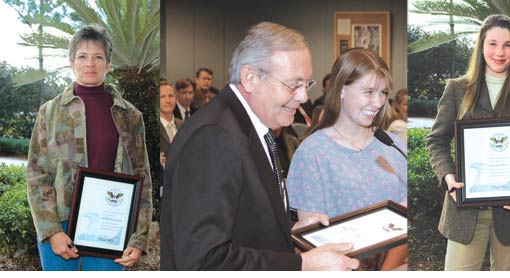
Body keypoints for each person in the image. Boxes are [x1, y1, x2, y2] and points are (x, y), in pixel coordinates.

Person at [161, 21, 359, 271]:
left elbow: (243, 221)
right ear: (250, 78)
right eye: (293, 84)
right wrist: (303, 264)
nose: (303, 97)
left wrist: (288, 230)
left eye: (306, 84)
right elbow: (205, 261)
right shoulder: (213, 138)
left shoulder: (248, 127)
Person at [426, 14, 510, 271]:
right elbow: (437, 140)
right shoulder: (456, 90)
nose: (499, 52)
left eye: (508, 45)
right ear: (481, 45)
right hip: (464, 212)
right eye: (493, 43)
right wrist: (447, 176)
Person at [26, 25, 152, 271]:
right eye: (82, 56)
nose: (90, 64)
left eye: (98, 57)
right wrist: (50, 230)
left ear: (109, 63)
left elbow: (142, 178)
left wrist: (138, 237)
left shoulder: (130, 115)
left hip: (111, 228)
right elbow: (35, 173)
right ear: (72, 62)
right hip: (59, 226)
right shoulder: (50, 112)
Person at [286, 48, 407, 270]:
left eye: (383, 93)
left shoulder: (393, 145)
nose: (378, 102)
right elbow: (312, 240)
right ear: (341, 90)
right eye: (368, 92)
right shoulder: (312, 153)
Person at [160, 81, 183, 168]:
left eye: (171, 96)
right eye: (162, 97)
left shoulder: (184, 125)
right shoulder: (152, 128)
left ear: (176, 98)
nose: (168, 100)